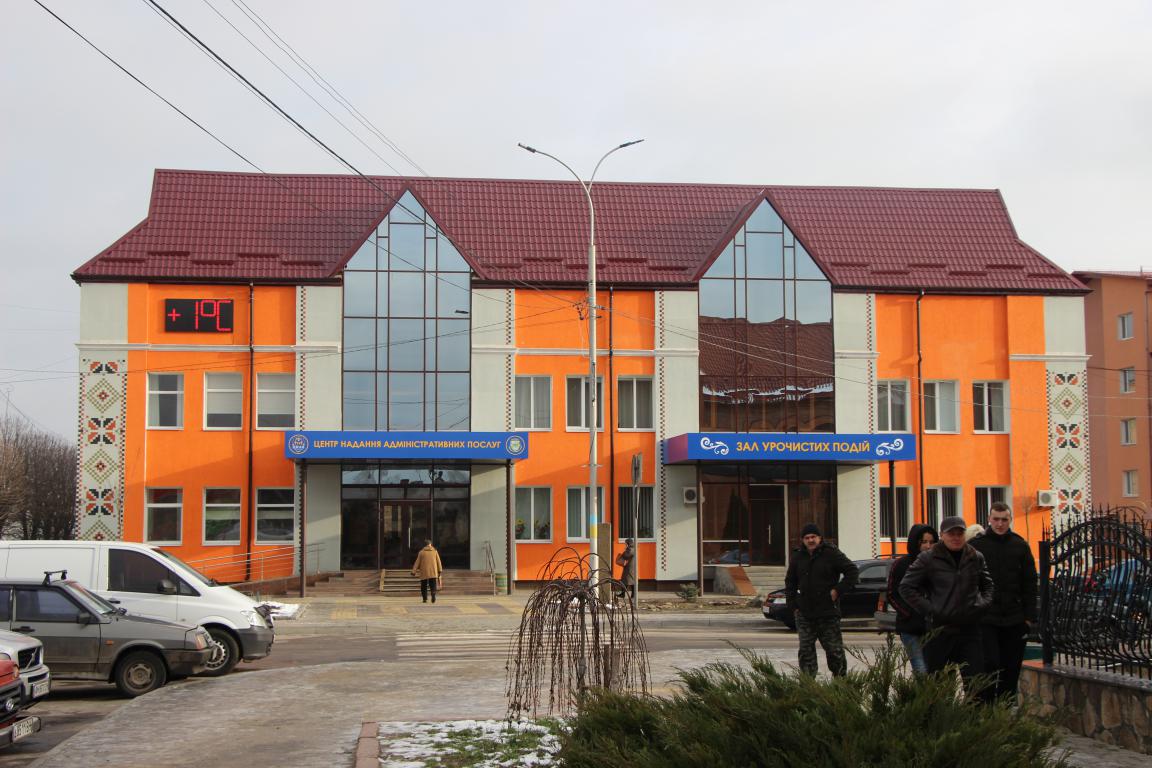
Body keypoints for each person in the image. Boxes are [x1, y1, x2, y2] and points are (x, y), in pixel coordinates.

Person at [899, 516, 994, 694]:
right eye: (951, 534)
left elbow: (988, 585)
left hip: (969, 629)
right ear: (942, 535)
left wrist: (982, 604)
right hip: (940, 631)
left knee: (976, 686)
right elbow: (906, 587)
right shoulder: (929, 558)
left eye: (960, 533)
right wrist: (930, 609)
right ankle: (940, 712)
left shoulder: (975, 556)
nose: (956, 537)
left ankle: (974, 712)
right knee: (938, 687)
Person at [970, 501, 1037, 702]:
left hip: (1014, 619)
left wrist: (1029, 618)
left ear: (1010, 520)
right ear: (989, 519)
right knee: (989, 664)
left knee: (1011, 668)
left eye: (1004, 520)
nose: (1000, 524)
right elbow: (968, 582)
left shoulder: (1020, 546)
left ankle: (1005, 708)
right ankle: (988, 708)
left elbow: (1030, 583)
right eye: (996, 519)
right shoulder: (976, 546)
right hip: (986, 619)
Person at [784, 523, 859, 677]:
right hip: (804, 613)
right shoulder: (798, 557)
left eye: (813, 537)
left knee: (834, 652)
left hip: (828, 613)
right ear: (803, 540)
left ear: (820, 538)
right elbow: (790, 581)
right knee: (806, 652)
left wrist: (837, 590)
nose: (810, 540)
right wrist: (793, 605)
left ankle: (841, 684)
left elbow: (852, 571)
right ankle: (808, 685)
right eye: (807, 538)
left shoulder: (831, 553)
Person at [886, 523, 938, 674]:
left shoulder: (938, 564)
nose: (928, 546)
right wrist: (907, 613)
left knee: (934, 668)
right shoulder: (901, 565)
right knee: (920, 668)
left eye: (931, 542)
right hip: (910, 626)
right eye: (924, 542)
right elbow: (892, 593)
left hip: (933, 625)